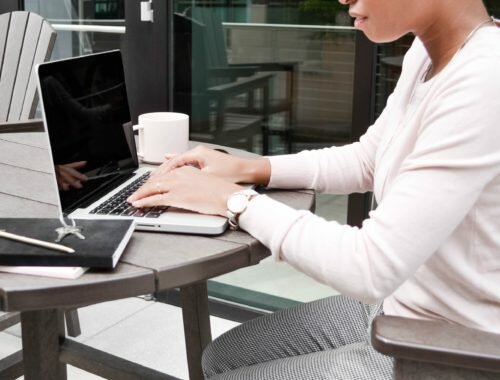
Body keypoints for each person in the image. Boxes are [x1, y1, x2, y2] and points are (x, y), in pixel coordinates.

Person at [128, 0, 500, 378]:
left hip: (449, 347)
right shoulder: (425, 52)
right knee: (218, 359)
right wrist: (248, 168)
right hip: (400, 304)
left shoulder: (485, 78)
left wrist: (233, 201)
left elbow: (370, 266)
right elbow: (367, 160)